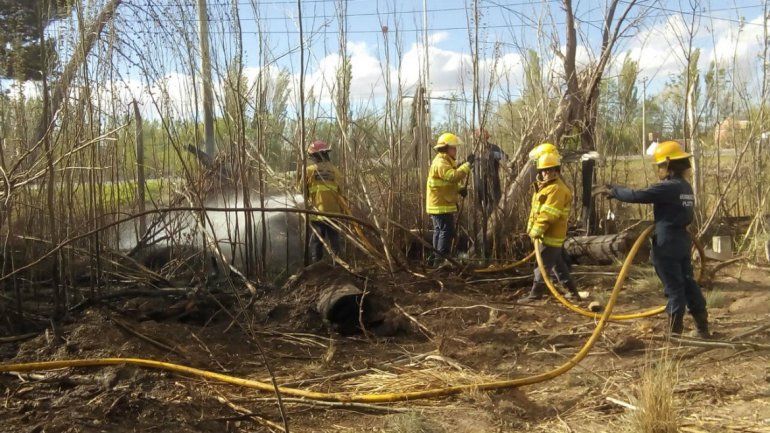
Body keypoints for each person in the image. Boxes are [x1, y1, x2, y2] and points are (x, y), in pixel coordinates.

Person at [596, 140, 710, 338]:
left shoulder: (669, 187)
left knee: (674, 288)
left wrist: (614, 191)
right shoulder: (685, 187)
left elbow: (638, 195)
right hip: (682, 241)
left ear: (668, 165)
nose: (658, 170)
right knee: (688, 283)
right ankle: (702, 329)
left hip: (666, 243)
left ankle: (674, 335)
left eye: (660, 166)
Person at [524, 151, 580, 301]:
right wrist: (531, 228)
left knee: (542, 267)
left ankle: (535, 295)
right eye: (544, 170)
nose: (546, 173)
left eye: (550, 170)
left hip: (551, 236)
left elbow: (549, 214)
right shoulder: (545, 187)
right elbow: (536, 211)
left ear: (557, 171)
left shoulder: (557, 189)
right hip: (546, 235)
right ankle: (573, 294)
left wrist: (536, 230)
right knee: (558, 265)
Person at [426, 132, 474, 267]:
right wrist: (468, 165)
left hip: (439, 204)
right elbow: (452, 177)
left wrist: (459, 189)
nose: (455, 150)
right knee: (445, 232)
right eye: (453, 148)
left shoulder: (444, 161)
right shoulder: (441, 163)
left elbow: (447, 183)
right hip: (440, 205)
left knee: (439, 231)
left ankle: (436, 260)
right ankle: (441, 260)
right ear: (446, 148)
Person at [304, 140, 344, 263]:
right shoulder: (335, 171)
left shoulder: (309, 171)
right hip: (334, 213)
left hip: (317, 213)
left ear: (315, 155)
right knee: (335, 241)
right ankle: (338, 266)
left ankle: (316, 266)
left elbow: (302, 191)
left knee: (317, 242)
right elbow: (341, 193)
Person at [471, 129, 508, 217]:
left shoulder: (493, 148)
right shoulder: (474, 151)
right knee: (480, 207)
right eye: (476, 139)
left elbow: (505, 157)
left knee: (495, 202)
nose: (477, 140)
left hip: (493, 181)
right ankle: (483, 219)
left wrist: (491, 154)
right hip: (478, 184)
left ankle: (492, 219)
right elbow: (468, 164)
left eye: (480, 138)